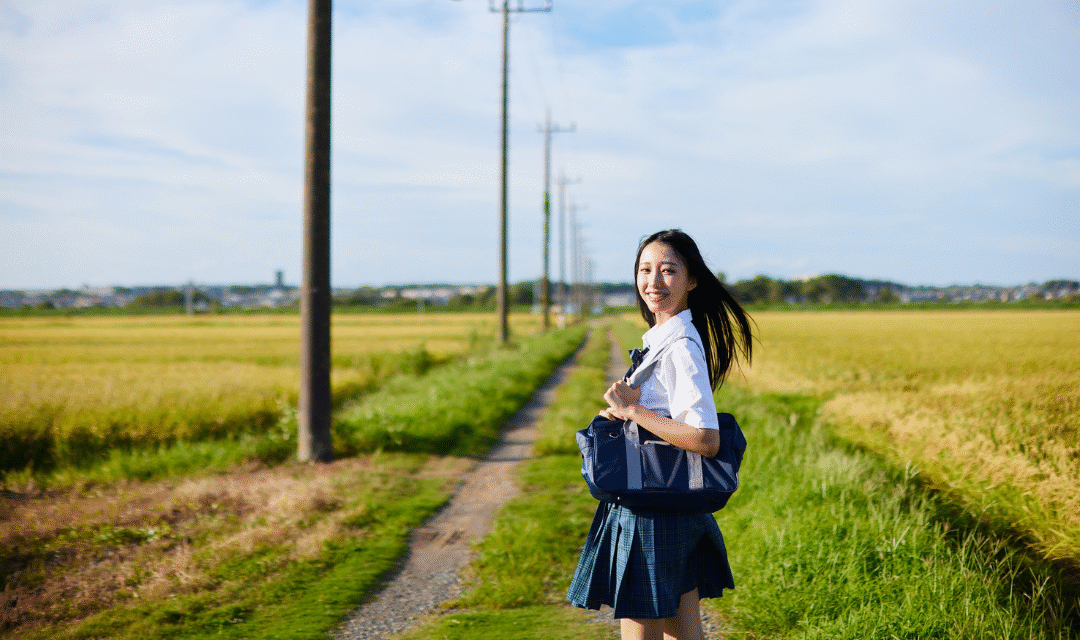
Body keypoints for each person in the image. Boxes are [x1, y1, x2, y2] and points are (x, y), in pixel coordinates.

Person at [567, 229, 753, 640]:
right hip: (672, 506)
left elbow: (705, 438)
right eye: (645, 270)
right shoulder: (664, 342)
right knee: (682, 632)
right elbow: (669, 417)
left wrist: (633, 410)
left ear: (692, 281)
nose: (654, 282)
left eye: (668, 271)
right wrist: (626, 416)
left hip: (651, 512)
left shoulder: (681, 347)